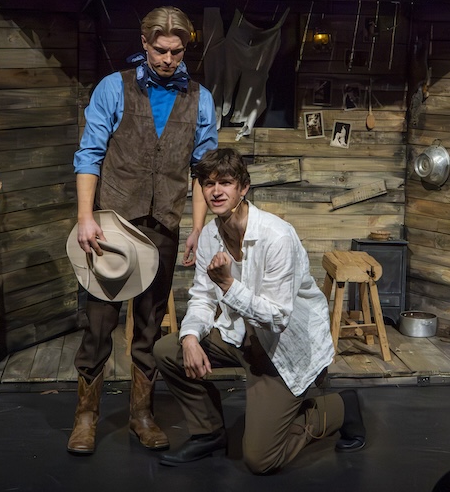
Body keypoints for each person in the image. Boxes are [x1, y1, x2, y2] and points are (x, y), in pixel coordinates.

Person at [153, 148, 366, 474]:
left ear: (244, 188)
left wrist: (227, 285)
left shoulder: (276, 236)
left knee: (261, 459)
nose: (216, 191)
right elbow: (201, 298)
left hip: (282, 348)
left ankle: (339, 408)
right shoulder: (210, 235)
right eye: (208, 183)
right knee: (169, 350)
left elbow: (278, 318)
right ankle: (208, 433)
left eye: (225, 182)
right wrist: (191, 337)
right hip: (240, 335)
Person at [68, 6, 218, 455]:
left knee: (150, 326)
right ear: (144, 42)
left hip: (165, 227)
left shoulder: (200, 98)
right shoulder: (114, 88)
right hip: (112, 225)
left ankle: (142, 413)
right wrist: (85, 216)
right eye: (159, 50)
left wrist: (197, 229)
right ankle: (86, 416)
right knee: (99, 324)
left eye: (175, 52)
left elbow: (203, 173)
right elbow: (88, 155)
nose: (168, 60)